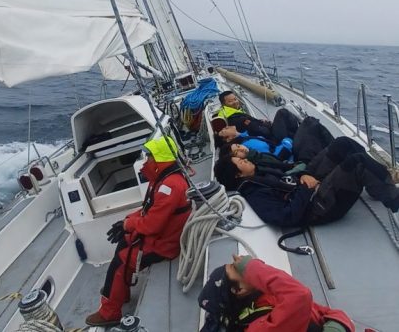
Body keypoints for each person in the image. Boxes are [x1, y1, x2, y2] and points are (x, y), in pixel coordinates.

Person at [85, 136, 190, 327]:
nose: (145, 161)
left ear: (159, 159)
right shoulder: (163, 179)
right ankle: (120, 293)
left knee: (121, 261)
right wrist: (126, 221)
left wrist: (128, 225)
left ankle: (110, 313)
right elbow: (148, 209)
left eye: (149, 157)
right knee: (123, 242)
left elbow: (152, 225)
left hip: (164, 244)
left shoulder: (170, 186)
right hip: (161, 235)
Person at [215, 136, 399, 226]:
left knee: (342, 144)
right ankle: (395, 200)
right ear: (238, 175)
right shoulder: (254, 192)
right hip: (317, 205)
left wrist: (303, 174)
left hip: (303, 184)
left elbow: (283, 179)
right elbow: (286, 216)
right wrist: (305, 187)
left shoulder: (256, 175)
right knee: (357, 162)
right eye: (242, 162)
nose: (246, 159)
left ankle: (378, 187)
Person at [199, 254, 354, 332]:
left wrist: (338, 323)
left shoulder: (265, 297)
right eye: (235, 268)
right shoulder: (258, 327)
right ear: (239, 290)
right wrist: (251, 267)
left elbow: (321, 310)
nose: (240, 264)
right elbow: (300, 296)